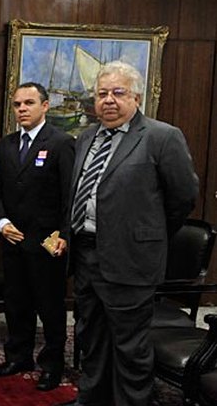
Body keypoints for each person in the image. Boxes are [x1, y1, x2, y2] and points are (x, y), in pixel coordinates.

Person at [57, 61, 198, 406]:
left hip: (131, 261)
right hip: (87, 254)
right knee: (91, 338)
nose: (108, 100)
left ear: (136, 96)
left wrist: (146, 235)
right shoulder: (87, 137)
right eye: (102, 93)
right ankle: (91, 400)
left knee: (130, 347)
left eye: (118, 93)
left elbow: (183, 196)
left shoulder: (162, 136)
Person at [0, 82, 74, 391]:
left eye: (28, 103)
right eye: (17, 104)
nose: (22, 109)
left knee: (50, 305)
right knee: (16, 302)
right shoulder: (5, 144)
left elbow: (70, 195)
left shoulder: (62, 142)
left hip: (48, 240)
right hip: (12, 237)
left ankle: (52, 365)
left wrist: (64, 235)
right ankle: (18, 356)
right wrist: (0, 221)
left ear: (45, 106)